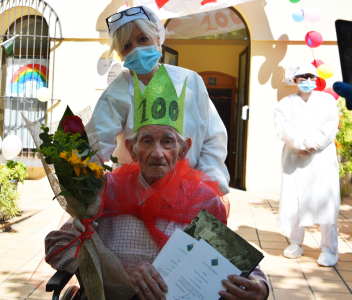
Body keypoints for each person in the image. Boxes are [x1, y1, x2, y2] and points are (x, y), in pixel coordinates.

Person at [46, 66, 269, 300]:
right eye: (147, 141)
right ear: (132, 150)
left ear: (183, 150)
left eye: (167, 142)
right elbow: (56, 243)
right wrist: (116, 269)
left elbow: (236, 261)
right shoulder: (105, 189)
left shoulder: (202, 200)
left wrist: (260, 287)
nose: (157, 153)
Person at [92, 5, 230, 194]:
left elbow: (213, 138)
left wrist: (207, 181)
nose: (136, 49)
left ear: (157, 37)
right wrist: (86, 194)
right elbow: (94, 146)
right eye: (126, 45)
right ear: (119, 53)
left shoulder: (191, 82)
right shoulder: (117, 92)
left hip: (191, 192)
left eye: (142, 39)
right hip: (134, 196)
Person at [274, 64, 340, 266]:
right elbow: (282, 129)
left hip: (322, 159)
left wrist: (313, 145)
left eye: (311, 78)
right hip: (295, 158)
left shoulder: (327, 100)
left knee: (326, 203)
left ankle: (329, 250)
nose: (307, 82)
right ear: (295, 81)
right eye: (302, 78)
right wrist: (302, 143)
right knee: (296, 202)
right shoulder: (284, 104)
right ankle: (296, 243)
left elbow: (330, 126)